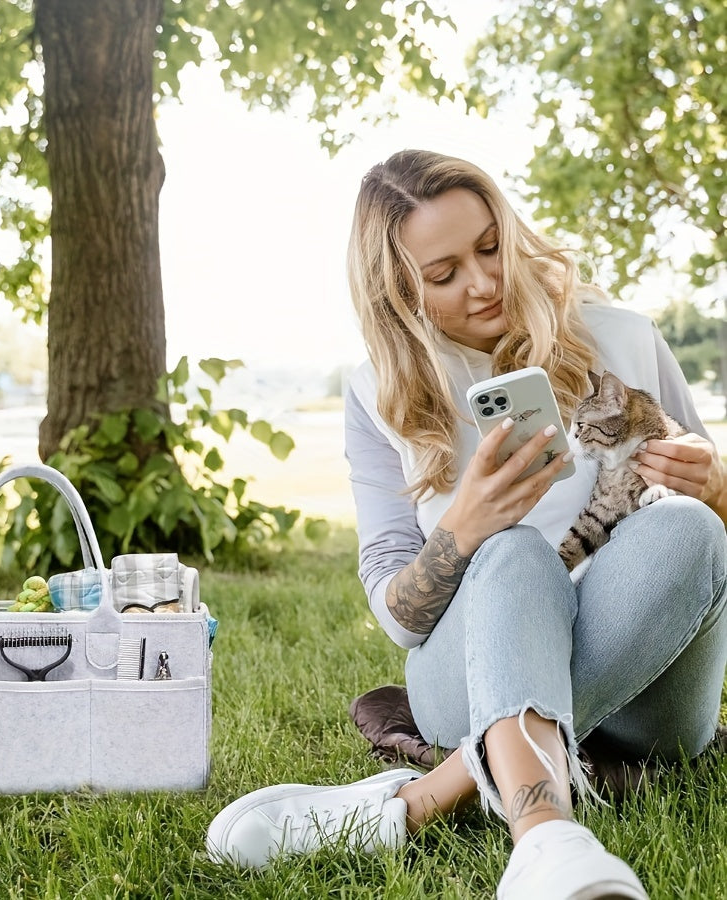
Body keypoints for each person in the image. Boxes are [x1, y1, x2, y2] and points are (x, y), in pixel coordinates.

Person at [205, 150, 727, 899]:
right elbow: (399, 617)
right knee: (513, 553)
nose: (484, 283)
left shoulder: (625, 335)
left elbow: (714, 548)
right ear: (397, 289)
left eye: (490, 248)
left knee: (689, 529)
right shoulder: (381, 394)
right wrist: (464, 529)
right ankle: (546, 837)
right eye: (444, 274)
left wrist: (716, 486)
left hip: (653, 693)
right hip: (473, 670)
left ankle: (418, 801)